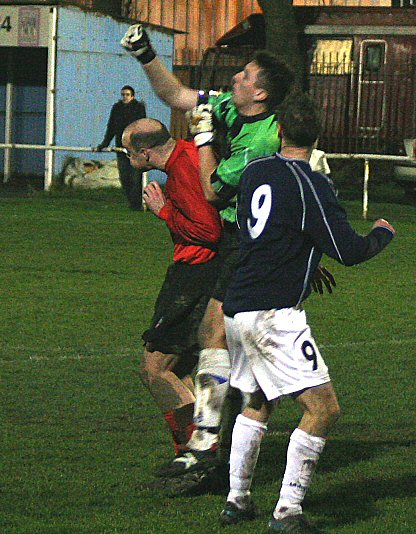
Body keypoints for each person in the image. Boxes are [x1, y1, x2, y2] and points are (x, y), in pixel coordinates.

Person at [121, 24, 297, 479]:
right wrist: (146, 55)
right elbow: (177, 95)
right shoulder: (233, 112)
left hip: (256, 243)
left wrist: (201, 144)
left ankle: (209, 445)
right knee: (214, 339)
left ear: (259, 94)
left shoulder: (260, 142)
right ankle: (210, 444)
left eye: (244, 75)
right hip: (248, 239)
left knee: (233, 348)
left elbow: (214, 194)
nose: (235, 78)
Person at [216, 93, 395, 533]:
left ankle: (237, 500)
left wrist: (305, 263)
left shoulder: (257, 171)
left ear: (279, 130)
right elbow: (349, 251)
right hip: (274, 314)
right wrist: (381, 234)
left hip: (237, 306)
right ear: (317, 138)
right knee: (323, 408)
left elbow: (263, 232)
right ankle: (288, 511)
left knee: (258, 401)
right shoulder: (311, 183)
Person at [121, 118, 222, 462]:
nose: (126, 155)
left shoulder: (182, 169)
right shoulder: (196, 155)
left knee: (155, 369)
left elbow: (208, 232)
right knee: (178, 371)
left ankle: (199, 452)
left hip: (194, 276)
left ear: (145, 153)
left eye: (128, 150)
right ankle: (203, 449)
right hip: (208, 275)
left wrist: (163, 211)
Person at [96, 85, 147, 210]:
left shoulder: (138, 108)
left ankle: (138, 204)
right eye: (123, 94)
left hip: (135, 149)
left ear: (132, 96)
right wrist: (105, 144)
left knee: (135, 178)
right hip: (121, 148)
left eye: (127, 95)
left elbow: (142, 127)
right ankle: (133, 203)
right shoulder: (117, 108)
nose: (124, 97)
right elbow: (111, 127)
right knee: (124, 178)